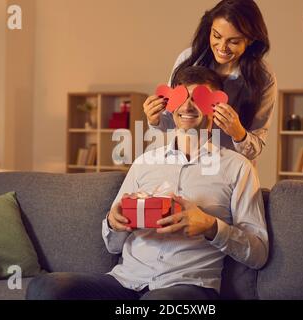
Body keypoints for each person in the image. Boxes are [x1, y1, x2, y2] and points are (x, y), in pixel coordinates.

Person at [26, 66, 268, 300]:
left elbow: (259, 253)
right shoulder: (144, 163)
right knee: (47, 287)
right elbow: (112, 245)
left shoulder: (237, 168)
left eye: (199, 98)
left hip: (186, 285)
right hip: (124, 281)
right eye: (181, 97)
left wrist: (211, 226)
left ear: (216, 107)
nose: (187, 106)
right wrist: (114, 222)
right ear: (169, 104)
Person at [143, 0, 277, 161]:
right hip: (187, 161)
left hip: (228, 169)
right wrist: (154, 119)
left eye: (233, 41)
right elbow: (172, 121)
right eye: (216, 36)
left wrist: (238, 133)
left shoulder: (263, 78)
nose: (222, 47)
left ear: (251, 40)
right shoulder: (189, 60)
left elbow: (255, 148)